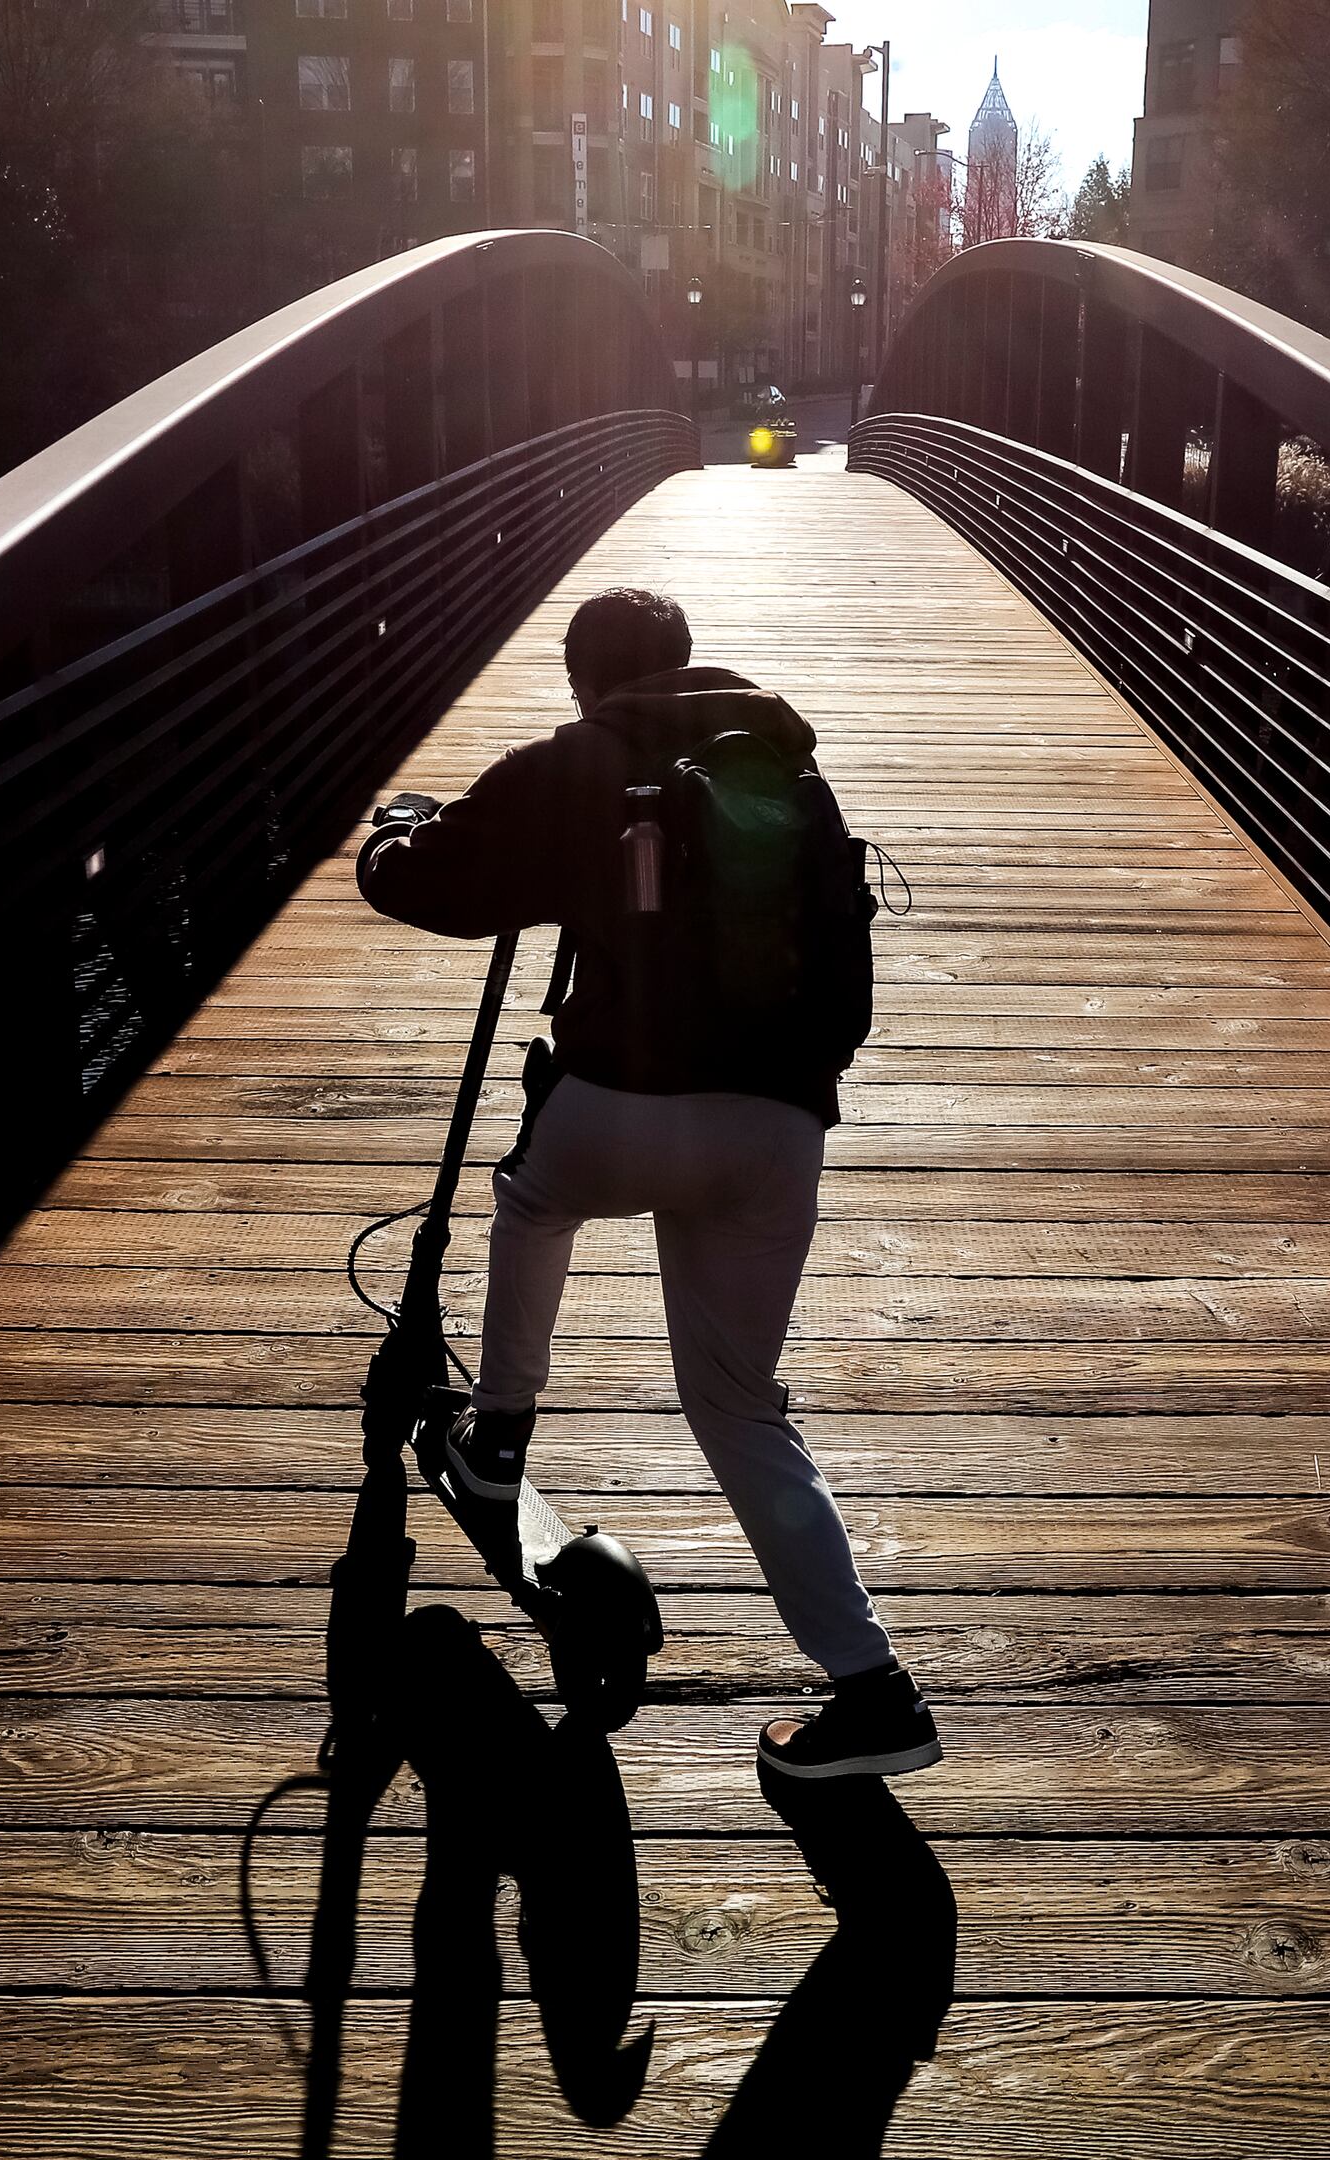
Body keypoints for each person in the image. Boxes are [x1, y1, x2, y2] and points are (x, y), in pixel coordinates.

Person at [357, 586, 938, 1780]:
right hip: (778, 1133)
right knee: (738, 1406)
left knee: (535, 1196)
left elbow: (433, 887)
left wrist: (391, 833)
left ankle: (500, 1432)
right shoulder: (786, 776)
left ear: (587, 682)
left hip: (617, 1112)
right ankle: (876, 1695)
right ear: (687, 662)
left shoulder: (577, 761)